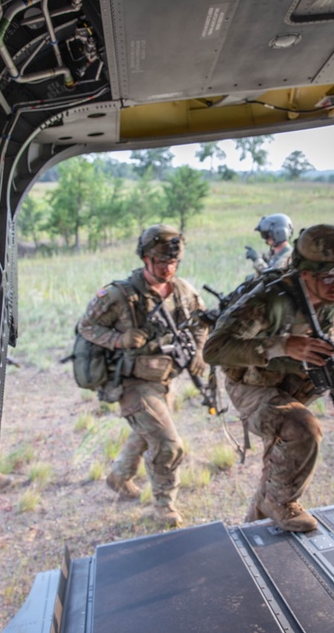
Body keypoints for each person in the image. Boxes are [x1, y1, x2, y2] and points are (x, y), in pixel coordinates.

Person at [204, 224, 334, 532]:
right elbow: (215, 349)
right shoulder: (269, 301)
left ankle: (253, 529)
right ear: (304, 274)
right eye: (329, 277)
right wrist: (285, 345)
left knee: (278, 465)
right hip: (251, 383)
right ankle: (280, 503)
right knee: (300, 429)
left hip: (294, 380)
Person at [77, 224, 207, 527]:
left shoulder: (182, 290)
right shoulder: (119, 295)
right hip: (132, 382)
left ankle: (120, 475)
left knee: (147, 431)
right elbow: (86, 326)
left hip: (164, 379)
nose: (168, 268)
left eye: (173, 262)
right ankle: (164, 506)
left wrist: (199, 351)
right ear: (145, 258)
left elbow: (201, 321)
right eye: (161, 261)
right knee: (168, 443)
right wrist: (119, 340)